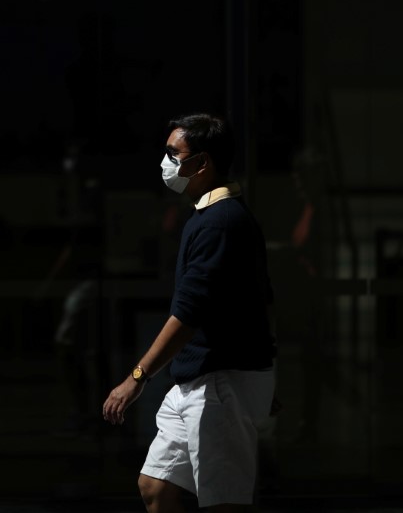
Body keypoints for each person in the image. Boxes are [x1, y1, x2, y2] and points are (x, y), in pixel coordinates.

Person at [102, 113, 278, 512]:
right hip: (199, 380)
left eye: (173, 153)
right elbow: (260, 301)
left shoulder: (222, 222)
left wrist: (137, 377)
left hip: (219, 384)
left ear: (202, 163)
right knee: (155, 487)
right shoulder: (209, 215)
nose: (165, 162)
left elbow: (189, 312)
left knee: (223, 502)